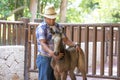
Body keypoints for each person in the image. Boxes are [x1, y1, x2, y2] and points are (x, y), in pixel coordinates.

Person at [36, 4, 80, 80]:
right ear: (45, 17)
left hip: (57, 58)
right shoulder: (41, 28)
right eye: (49, 19)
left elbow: (65, 40)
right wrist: (52, 53)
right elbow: (43, 43)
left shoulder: (58, 27)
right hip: (45, 57)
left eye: (53, 18)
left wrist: (75, 45)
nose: (52, 20)